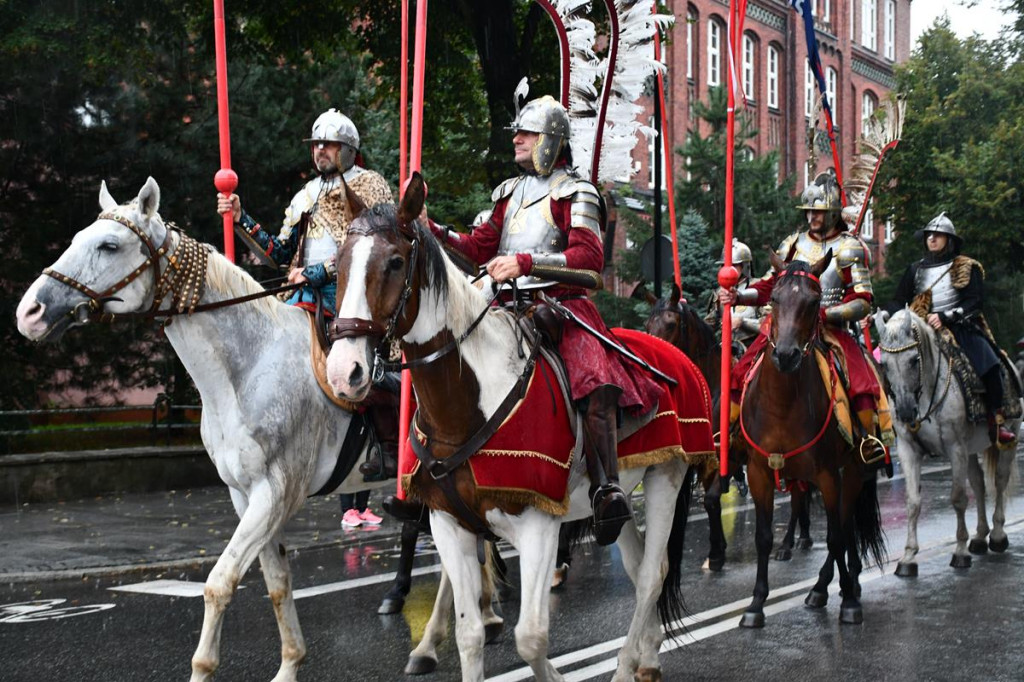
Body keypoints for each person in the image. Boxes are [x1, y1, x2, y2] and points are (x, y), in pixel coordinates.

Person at [425, 95, 662, 546]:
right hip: (504, 304)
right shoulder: (509, 195)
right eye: (517, 132)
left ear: (550, 142)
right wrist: (431, 227)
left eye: (526, 134)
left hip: (562, 307)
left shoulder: (576, 192)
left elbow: (590, 262)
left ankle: (607, 487)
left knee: (593, 380)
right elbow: (477, 247)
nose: (516, 139)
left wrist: (526, 262)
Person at [216, 108, 400, 480]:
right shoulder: (306, 194)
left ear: (348, 148)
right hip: (304, 292)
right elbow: (279, 254)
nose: (320, 151)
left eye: (329, 145)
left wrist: (317, 273)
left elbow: (374, 246)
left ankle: (389, 445)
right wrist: (240, 218)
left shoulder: (370, 185)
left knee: (367, 363)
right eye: (316, 144)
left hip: (352, 292)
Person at [719, 172, 889, 462]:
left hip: (831, 328)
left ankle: (868, 437)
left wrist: (823, 313)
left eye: (818, 211)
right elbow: (769, 284)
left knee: (860, 379)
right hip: (785, 327)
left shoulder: (849, 248)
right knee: (740, 372)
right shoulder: (793, 244)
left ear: (833, 212)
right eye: (809, 211)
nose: (812, 216)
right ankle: (728, 433)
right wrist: (738, 297)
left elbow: (862, 301)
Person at [880, 213, 1015, 445]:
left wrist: (944, 316)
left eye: (937, 235)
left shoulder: (965, 267)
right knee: (888, 364)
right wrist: (886, 314)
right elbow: (898, 300)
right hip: (919, 331)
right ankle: (884, 420)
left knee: (991, 365)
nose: (931, 239)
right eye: (929, 235)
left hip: (960, 328)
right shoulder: (915, 270)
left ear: (949, 239)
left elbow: (974, 302)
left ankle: (996, 420)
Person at [703, 239, 763, 355]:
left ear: (745, 266)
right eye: (724, 265)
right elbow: (710, 324)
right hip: (726, 348)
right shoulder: (720, 292)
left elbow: (769, 325)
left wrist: (742, 322)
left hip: (754, 349)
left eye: (734, 265)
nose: (728, 269)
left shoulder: (758, 288)